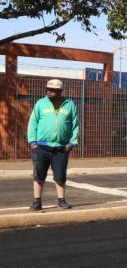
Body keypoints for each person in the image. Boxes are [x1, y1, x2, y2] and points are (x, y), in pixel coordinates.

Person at [27, 79, 79, 211]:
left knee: (60, 176)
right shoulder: (40, 103)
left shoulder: (69, 104)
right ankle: (37, 202)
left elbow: (75, 125)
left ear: (60, 91)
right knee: (39, 175)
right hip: (41, 147)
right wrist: (33, 142)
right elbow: (33, 122)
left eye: (52, 90)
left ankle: (61, 200)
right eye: (47, 89)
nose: (48, 91)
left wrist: (71, 143)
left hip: (61, 147)